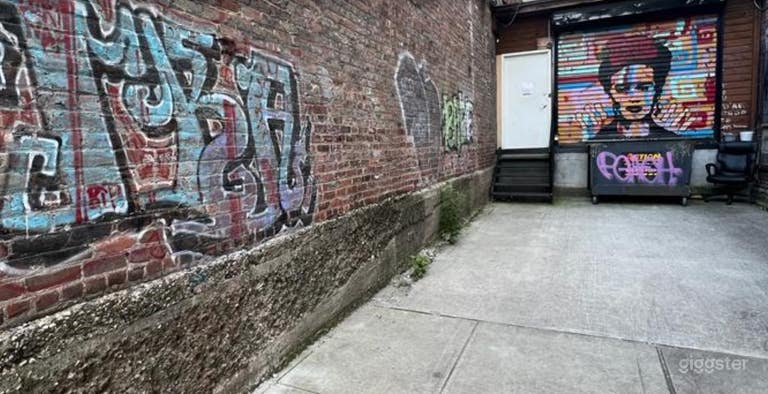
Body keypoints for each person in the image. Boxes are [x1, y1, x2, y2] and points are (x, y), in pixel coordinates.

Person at [578, 35, 692, 139]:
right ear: (610, 92)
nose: (634, 98)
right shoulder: (601, 134)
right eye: (622, 89)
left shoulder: (670, 130)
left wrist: (675, 134)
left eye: (644, 88)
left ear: (657, 89)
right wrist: (589, 133)